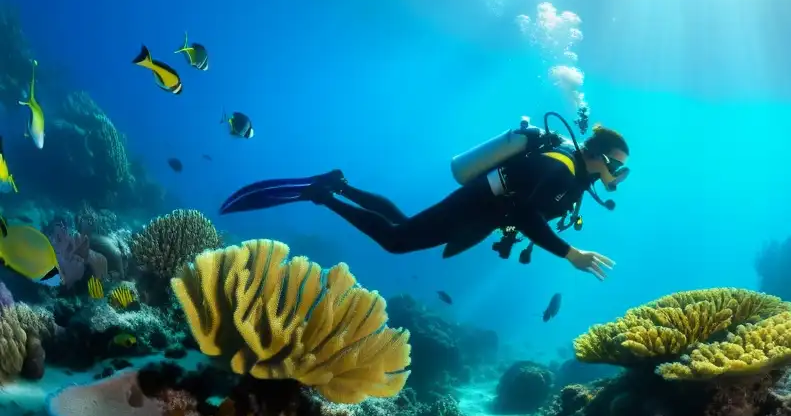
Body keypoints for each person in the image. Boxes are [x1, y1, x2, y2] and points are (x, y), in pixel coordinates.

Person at [219, 124, 630, 280]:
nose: (618, 176)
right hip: (477, 205)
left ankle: (338, 185)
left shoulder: (573, 176)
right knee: (398, 241)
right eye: (618, 167)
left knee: (405, 223)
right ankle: (322, 195)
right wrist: (569, 253)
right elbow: (524, 212)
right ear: (600, 156)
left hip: (481, 210)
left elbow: (526, 212)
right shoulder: (560, 169)